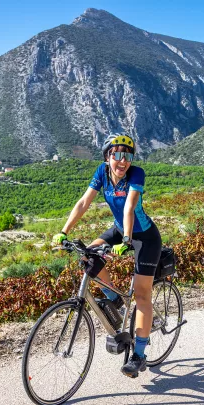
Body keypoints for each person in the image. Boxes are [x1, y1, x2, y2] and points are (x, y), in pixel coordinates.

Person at [52, 134, 162, 378]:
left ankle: (139, 355)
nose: (123, 161)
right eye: (117, 155)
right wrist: (63, 232)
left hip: (144, 237)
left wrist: (126, 241)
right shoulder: (102, 172)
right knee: (89, 257)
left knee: (143, 295)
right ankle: (115, 300)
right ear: (107, 157)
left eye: (128, 156)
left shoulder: (136, 174)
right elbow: (83, 202)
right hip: (119, 229)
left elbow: (130, 207)